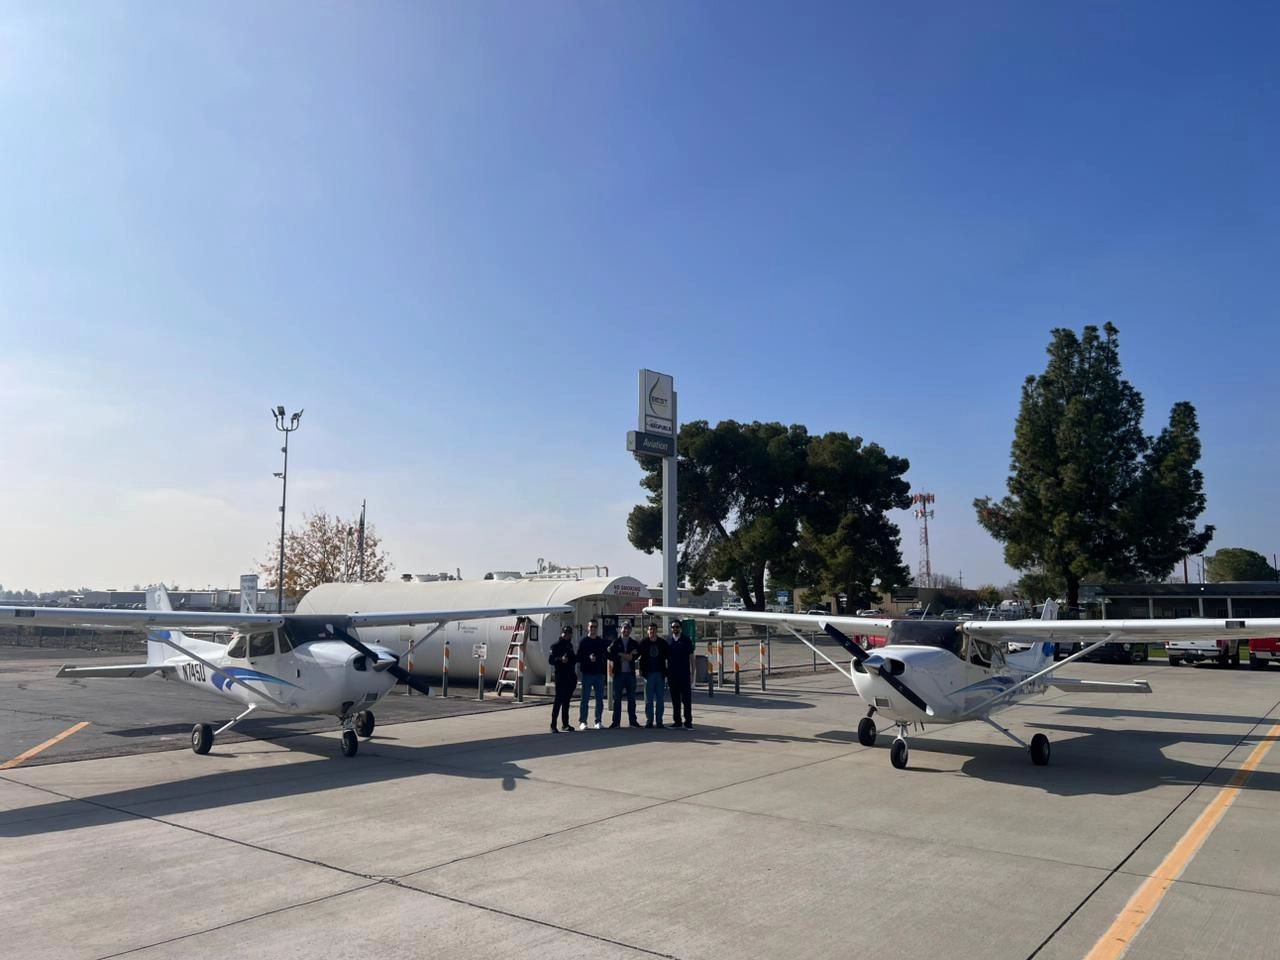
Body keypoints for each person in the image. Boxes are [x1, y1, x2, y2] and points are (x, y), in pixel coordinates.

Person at [607, 620, 641, 728]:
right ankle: (616, 722)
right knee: (617, 699)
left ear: (630, 630)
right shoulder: (615, 642)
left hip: (630, 674)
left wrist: (627, 656)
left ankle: (633, 721)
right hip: (619, 674)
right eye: (624, 628)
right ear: (620, 629)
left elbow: (636, 654)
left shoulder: (633, 643)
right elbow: (610, 653)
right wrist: (623, 656)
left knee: (632, 699)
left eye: (628, 628)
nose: (626, 630)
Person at [577, 618, 608, 730]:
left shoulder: (601, 642)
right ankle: (583, 721)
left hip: (599, 674)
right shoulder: (584, 642)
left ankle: (598, 721)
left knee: (599, 699)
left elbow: (606, 655)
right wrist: (588, 658)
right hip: (587, 674)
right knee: (585, 699)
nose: (593, 629)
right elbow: (578, 657)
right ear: (588, 627)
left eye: (595, 627)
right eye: (591, 627)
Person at [638, 621, 669, 728]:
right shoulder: (643, 643)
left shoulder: (662, 643)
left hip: (660, 674)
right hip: (648, 675)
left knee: (660, 699)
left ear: (657, 631)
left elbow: (669, 657)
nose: (652, 631)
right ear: (647, 631)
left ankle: (659, 721)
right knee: (648, 700)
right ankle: (649, 720)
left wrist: (666, 673)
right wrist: (642, 672)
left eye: (654, 629)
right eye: (650, 629)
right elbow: (636, 655)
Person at [548, 625, 578, 733]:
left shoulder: (570, 646)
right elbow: (551, 660)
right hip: (560, 677)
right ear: (562, 633)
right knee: (558, 701)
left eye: (569, 633)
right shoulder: (555, 646)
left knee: (566, 701)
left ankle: (565, 724)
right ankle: (553, 725)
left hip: (570, 676)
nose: (567, 635)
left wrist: (575, 657)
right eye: (565, 633)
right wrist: (561, 659)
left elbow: (574, 660)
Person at [667, 618, 695, 729]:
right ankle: (677, 722)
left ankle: (688, 722)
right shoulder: (668, 641)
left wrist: (693, 673)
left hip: (684, 675)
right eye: (673, 627)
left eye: (677, 627)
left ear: (680, 628)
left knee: (686, 700)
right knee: (675, 700)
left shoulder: (686, 640)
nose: (675, 629)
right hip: (672, 676)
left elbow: (691, 658)